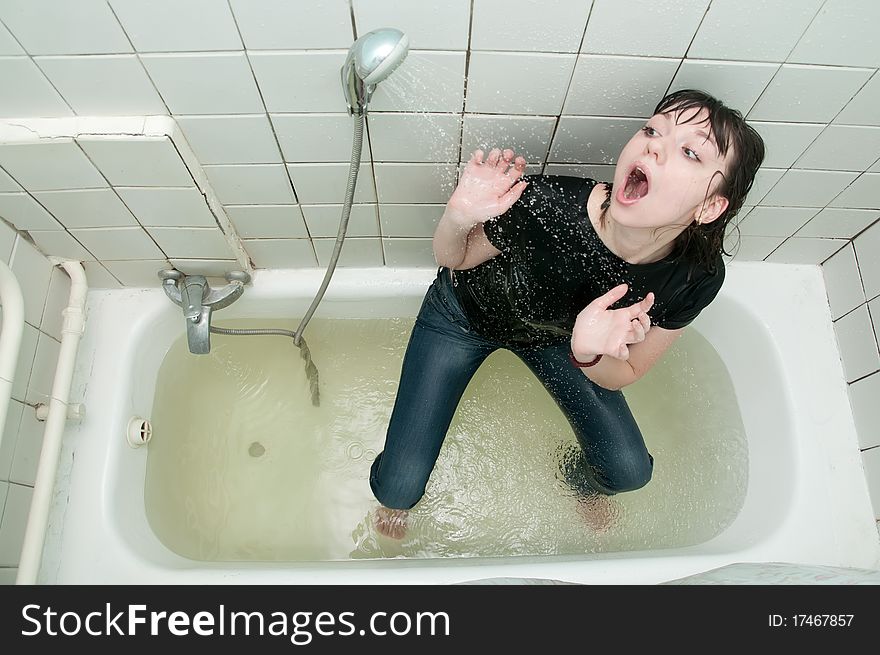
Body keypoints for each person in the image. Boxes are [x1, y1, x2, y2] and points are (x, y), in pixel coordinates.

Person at [369, 89, 765, 539]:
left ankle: (581, 484)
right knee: (398, 488)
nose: (653, 144)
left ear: (710, 207)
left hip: (558, 340)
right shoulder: (550, 204)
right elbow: (454, 258)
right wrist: (459, 216)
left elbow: (630, 367)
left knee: (627, 472)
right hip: (462, 317)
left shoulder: (694, 276)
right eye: (653, 130)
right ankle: (396, 500)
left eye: (690, 151)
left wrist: (588, 352)